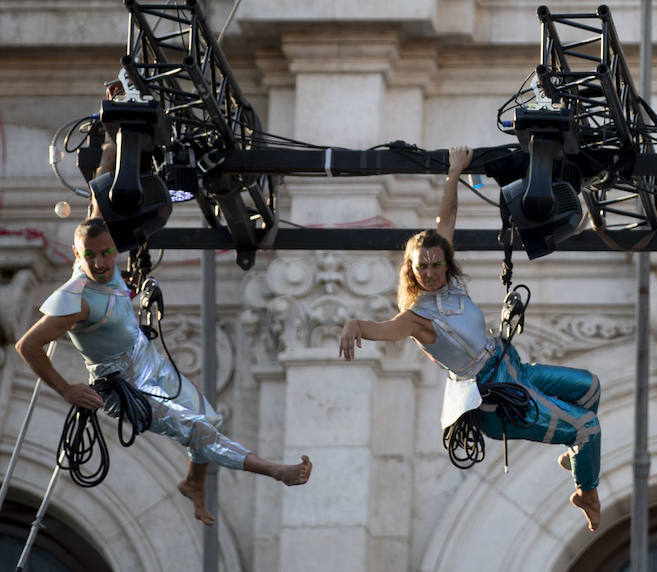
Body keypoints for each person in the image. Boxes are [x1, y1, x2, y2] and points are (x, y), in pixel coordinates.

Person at [338, 146, 603, 531]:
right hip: (499, 398)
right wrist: (354, 325)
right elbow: (385, 329)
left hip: (511, 369)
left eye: (435, 264)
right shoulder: (419, 318)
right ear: (412, 272)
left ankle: (578, 455)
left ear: (445, 262)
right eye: (422, 268)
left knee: (590, 389)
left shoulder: (454, 286)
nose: (429, 273)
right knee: (587, 428)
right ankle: (586, 491)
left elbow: (447, 218)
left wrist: (454, 171)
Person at [15, 216, 312, 525]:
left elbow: (97, 204)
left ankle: (193, 483)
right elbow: (27, 345)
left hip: (148, 362)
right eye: (90, 256)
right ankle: (276, 471)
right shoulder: (75, 299)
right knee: (199, 430)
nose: (100, 263)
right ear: (78, 255)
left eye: (106, 253)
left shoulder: (108, 265)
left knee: (211, 418)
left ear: (115, 248)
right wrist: (66, 389)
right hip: (126, 388)